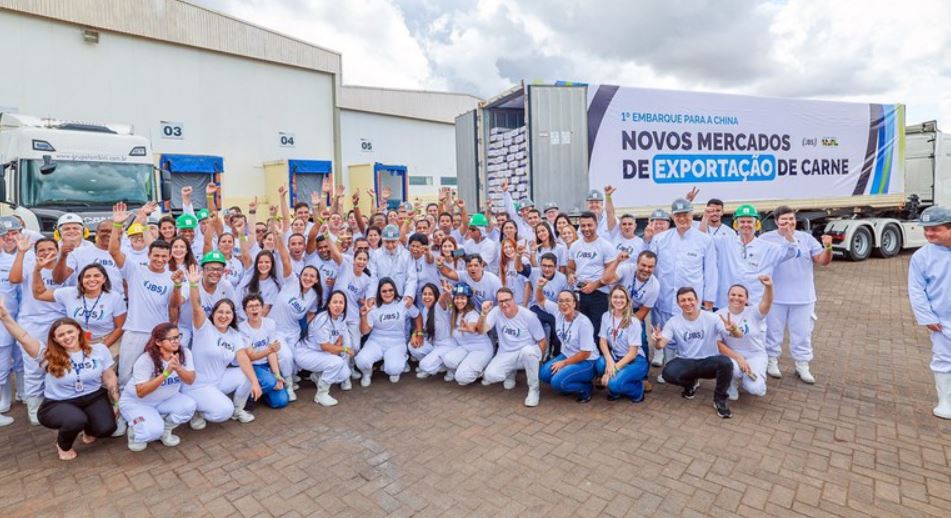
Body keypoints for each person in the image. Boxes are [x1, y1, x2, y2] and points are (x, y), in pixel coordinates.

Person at [0, 303, 118, 461]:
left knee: (107, 428)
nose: (67, 337)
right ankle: (63, 445)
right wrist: (5, 317)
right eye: (61, 335)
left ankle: (89, 428)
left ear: (78, 331)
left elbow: (109, 376)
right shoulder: (47, 355)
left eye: (70, 331)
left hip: (93, 397)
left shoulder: (99, 350)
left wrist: (117, 401)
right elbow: (23, 337)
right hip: (60, 402)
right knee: (75, 419)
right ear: (54, 339)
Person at [109, 203, 177, 436]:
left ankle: (150, 414)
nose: (159, 259)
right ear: (149, 254)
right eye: (156, 255)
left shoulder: (172, 276)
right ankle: (123, 415)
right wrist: (118, 225)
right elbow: (114, 252)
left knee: (156, 374)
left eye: (163, 256)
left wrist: (178, 284)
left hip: (159, 336)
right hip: (135, 331)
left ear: (169, 257)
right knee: (126, 375)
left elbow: (175, 305)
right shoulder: (135, 270)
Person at [760, 206, 833, 383]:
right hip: (775, 297)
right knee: (772, 333)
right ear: (776, 222)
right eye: (783, 220)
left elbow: (822, 261)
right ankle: (771, 361)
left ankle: (802, 364)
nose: (788, 223)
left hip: (803, 297)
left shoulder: (806, 239)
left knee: (802, 333)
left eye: (791, 219)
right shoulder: (765, 239)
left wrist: (829, 247)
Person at [183, 265, 262, 429]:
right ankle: (197, 409)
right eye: (220, 312)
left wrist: (255, 383)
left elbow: (242, 358)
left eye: (228, 313)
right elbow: (197, 305)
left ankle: (238, 410)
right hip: (198, 385)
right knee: (224, 411)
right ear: (213, 313)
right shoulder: (203, 327)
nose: (224, 316)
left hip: (219, 380)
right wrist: (192, 284)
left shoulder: (234, 334)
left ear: (233, 316)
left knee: (247, 374)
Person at [648, 198, 718, 372]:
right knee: (667, 336)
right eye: (678, 215)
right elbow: (653, 270)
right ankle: (670, 369)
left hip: (690, 301)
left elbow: (710, 271)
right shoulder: (660, 239)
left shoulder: (704, 240)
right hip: (664, 297)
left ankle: (691, 374)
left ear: (691, 214)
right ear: (672, 216)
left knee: (690, 337)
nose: (682, 218)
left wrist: (709, 299)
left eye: (685, 214)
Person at [651, 287, 739, 418]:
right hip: (686, 361)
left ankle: (720, 400)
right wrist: (657, 341)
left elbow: (734, 334)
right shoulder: (673, 322)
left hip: (708, 361)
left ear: (697, 300)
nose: (687, 303)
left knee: (726, 363)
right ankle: (689, 385)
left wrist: (733, 329)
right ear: (678, 303)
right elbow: (661, 345)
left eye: (690, 299)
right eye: (683, 300)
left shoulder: (712, 318)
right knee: (667, 373)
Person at [8, 231, 66, 426]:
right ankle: (34, 407)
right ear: (36, 252)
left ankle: (57, 400)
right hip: (32, 322)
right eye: (41, 250)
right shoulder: (27, 264)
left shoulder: (63, 270)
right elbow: (14, 279)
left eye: (51, 249)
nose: (46, 253)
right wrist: (22, 253)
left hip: (58, 322)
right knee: (33, 366)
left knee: (59, 363)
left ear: (57, 251)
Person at [119, 323, 198, 452]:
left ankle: (165, 430)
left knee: (189, 406)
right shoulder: (145, 359)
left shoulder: (185, 353)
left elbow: (190, 380)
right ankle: (135, 430)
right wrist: (166, 373)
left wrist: (178, 368)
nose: (176, 341)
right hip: (138, 403)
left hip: (165, 399)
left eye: (178, 337)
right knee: (152, 432)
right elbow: (141, 392)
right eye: (171, 338)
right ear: (158, 342)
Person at [907, 205, 951, 419]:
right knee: (943, 360)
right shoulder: (921, 257)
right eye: (926, 229)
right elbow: (916, 290)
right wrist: (927, 317)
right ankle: (945, 403)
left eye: (936, 229)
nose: (929, 233)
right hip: (942, 321)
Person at [709, 204, 797, 310]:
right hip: (726, 305)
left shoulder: (767, 247)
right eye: (742, 221)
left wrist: (788, 235)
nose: (746, 225)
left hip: (754, 305)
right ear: (736, 224)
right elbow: (702, 240)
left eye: (750, 222)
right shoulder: (724, 242)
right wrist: (705, 217)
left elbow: (790, 252)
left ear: (757, 224)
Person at [32, 263, 127, 347]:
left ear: (104, 279)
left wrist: (102, 348)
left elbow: (120, 327)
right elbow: (40, 294)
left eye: (97, 276)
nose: (92, 279)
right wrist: (37, 271)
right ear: (81, 280)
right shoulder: (69, 293)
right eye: (87, 276)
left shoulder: (114, 297)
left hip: (107, 340)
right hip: (77, 341)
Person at [480, 288, 547, 407]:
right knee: (490, 375)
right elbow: (482, 330)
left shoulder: (528, 316)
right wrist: (484, 313)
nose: (504, 304)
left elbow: (542, 340)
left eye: (507, 300)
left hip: (525, 353)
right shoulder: (496, 311)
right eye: (500, 301)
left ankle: (534, 389)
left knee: (528, 352)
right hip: (505, 353)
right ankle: (511, 372)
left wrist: (538, 360)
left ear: (514, 299)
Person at [535, 281, 599, 403]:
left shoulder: (583, 323)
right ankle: (568, 381)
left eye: (568, 301)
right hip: (567, 355)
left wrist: (564, 363)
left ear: (575, 303)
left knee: (557, 382)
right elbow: (540, 300)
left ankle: (585, 388)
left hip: (587, 361)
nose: (564, 304)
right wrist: (539, 287)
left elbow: (585, 353)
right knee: (543, 374)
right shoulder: (558, 312)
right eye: (561, 301)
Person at [716, 276, 774, 401]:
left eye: (741, 296)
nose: (736, 298)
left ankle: (750, 379)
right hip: (732, 355)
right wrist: (738, 357)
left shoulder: (754, 312)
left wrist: (768, 287)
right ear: (728, 296)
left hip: (755, 354)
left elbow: (767, 303)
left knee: (756, 389)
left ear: (746, 299)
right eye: (733, 294)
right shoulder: (719, 315)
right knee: (733, 369)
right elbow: (718, 344)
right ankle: (732, 382)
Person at [356, 278, 418, 386]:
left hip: (397, 342)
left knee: (394, 369)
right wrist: (364, 316)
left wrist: (419, 332)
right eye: (384, 291)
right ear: (379, 293)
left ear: (395, 290)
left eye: (390, 290)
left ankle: (394, 362)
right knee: (361, 361)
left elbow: (417, 316)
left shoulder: (403, 303)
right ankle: (367, 373)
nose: (388, 293)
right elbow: (365, 331)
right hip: (376, 341)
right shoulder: (373, 307)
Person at [295, 291, 352, 406]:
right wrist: (344, 350)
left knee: (344, 374)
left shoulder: (340, 318)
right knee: (337, 362)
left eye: (341, 302)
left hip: (321, 354)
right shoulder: (322, 319)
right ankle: (321, 394)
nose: (338, 305)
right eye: (335, 302)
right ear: (329, 304)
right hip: (306, 353)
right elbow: (325, 346)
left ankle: (317, 377)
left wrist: (339, 349)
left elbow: (339, 337)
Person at [567, 211, 617, 339]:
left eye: (589, 225)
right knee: (581, 330)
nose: (586, 229)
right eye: (583, 226)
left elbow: (611, 275)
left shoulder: (606, 246)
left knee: (598, 331)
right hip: (580, 294)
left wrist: (595, 285)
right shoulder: (574, 246)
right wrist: (571, 275)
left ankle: (600, 357)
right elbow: (570, 268)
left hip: (599, 294)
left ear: (596, 224)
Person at [174, 251, 237, 347]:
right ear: (203, 270)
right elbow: (178, 302)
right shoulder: (192, 281)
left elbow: (233, 309)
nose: (215, 272)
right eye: (211, 269)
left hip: (210, 330)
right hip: (187, 328)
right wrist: (178, 285)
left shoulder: (226, 286)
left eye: (219, 269)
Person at [596, 285, 649, 401]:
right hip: (616, 357)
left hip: (635, 361)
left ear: (627, 301)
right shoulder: (606, 316)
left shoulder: (633, 321)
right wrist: (609, 361)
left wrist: (612, 370)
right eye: (615, 297)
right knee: (600, 364)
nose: (618, 300)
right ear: (610, 299)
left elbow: (632, 354)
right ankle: (617, 388)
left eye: (622, 297)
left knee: (613, 383)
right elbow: (603, 341)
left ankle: (637, 390)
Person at [238, 295, 289, 409]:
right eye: (250, 306)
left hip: (266, 365)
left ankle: (260, 392)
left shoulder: (270, 323)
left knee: (281, 401)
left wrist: (276, 374)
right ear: (245, 311)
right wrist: (270, 349)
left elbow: (272, 353)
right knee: (270, 383)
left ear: (262, 308)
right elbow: (251, 356)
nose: (254, 308)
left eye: (257, 305)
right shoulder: (241, 328)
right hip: (253, 366)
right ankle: (246, 398)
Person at [443, 283, 494, 385]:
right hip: (466, 348)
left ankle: (483, 369)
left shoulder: (473, 314)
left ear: (468, 299)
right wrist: (449, 293)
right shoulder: (455, 312)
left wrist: (470, 328)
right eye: (457, 298)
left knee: (461, 379)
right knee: (448, 360)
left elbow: (473, 326)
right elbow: (450, 302)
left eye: (462, 298)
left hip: (481, 350)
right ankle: (469, 365)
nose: (459, 301)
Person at [416, 282, 457, 379]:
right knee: (413, 347)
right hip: (434, 344)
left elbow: (442, 299)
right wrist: (416, 335)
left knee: (424, 365)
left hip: (447, 345)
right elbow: (423, 327)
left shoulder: (439, 307)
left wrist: (447, 293)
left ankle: (448, 367)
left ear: (436, 296)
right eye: (424, 294)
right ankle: (435, 364)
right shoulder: (425, 309)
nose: (427, 297)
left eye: (430, 294)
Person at [437, 253, 503, 309]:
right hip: (474, 312)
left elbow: (502, 299)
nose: (473, 268)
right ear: (466, 267)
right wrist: (439, 264)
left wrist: (451, 253)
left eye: (476, 265)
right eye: (470, 266)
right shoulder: (465, 275)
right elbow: (448, 273)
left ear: (482, 266)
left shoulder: (493, 280)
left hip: (491, 312)